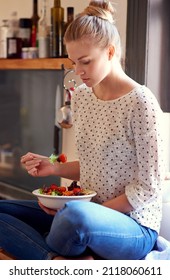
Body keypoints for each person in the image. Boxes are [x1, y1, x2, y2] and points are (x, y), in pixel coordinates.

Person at [0, 0, 165, 260]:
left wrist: (84, 210)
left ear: (110, 52)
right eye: (74, 62)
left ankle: (51, 250)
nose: (78, 71)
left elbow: (149, 187)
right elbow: (94, 164)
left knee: (74, 217)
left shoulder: (141, 102)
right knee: (3, 211)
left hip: (133, 226)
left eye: (86, 62)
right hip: (84, 213)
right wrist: (53, 167)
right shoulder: (82, 98)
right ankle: (58, 262)